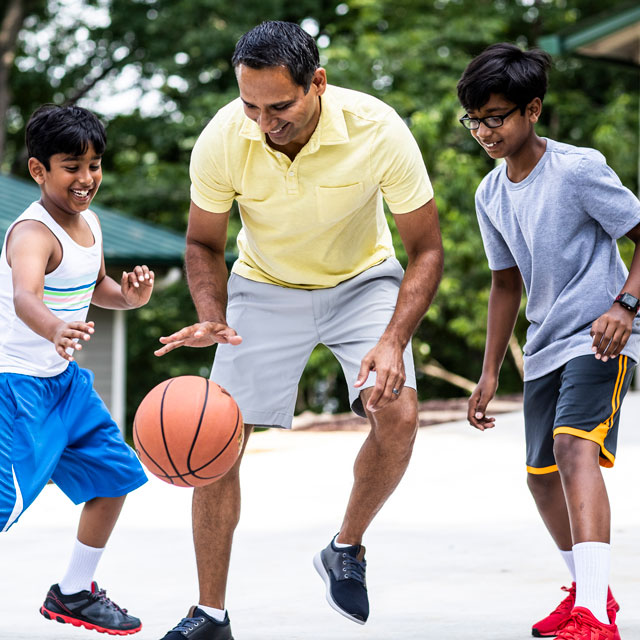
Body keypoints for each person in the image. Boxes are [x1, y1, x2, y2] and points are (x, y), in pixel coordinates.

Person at [154, 20, 443, 640]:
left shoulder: (378, 129)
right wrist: (212, 313)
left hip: (363, 281)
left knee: (397, 415)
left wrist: (392, 338)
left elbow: (426, 250)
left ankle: (346, 546)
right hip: (264, 286)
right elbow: (203, 243)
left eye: (280, 105)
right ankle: (210, 614)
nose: (264, 121)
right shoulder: (224, 138)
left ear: (318, 83)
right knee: (215, 444)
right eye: (250, 105)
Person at [458, 43, 640, 640]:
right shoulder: (490, 194)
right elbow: (505, 284)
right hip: (544, 346)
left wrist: (626, 305)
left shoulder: (577, 168)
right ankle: (590, 594)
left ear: (531, 110)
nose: (484, 131)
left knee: (572, 447)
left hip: (600, 337)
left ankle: (592, 615)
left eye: (496, 116)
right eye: (475, 119)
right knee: (540, 476)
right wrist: (489, 372)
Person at [0, 104, 155, 635]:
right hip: (16, 385)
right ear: (39, 170)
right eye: (72, 166)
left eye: (94, 164)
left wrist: (129, 298)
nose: (86, 178)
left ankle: (72, 592)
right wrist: (54, 330)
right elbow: (26, 298)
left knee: (115, 476)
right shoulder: (31, 233)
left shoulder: (88, 224)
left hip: (65, 386)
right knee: (5, 505)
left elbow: (96, 289)